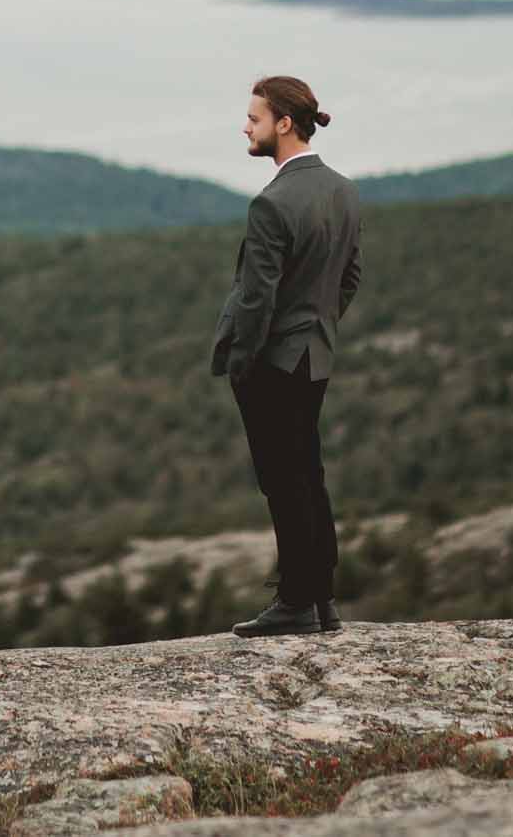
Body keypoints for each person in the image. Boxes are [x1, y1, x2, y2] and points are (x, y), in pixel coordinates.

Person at [210, 74, 362, 637]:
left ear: (284, 124)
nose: (245, 127)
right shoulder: (343, 190)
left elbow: (257, 297)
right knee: (308, 474)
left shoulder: (272, 202)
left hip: (274, 363)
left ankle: (297, 602)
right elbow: (349, 277)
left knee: (283, 478)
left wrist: (243, 362)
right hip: (314, 356)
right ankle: (320, 599)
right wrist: (317, 328)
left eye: (253, 118)